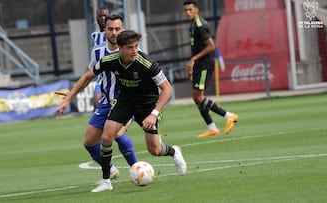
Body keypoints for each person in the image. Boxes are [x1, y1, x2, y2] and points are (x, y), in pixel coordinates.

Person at [55, 30, 187, 192]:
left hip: (147, 104)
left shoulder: (146, 62)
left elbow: (167, 89)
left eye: (136, 46)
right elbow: (88, 75)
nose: (135, 51)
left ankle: (174, 152)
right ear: (120, 48)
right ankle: (106, 181)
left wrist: (154, 114)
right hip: (125, 101)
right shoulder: (110, 60)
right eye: (130, 47)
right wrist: (68, 98)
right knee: (106, 136)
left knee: (154, 149)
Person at [60, 15, 138, 180]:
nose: (114, 33)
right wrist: (69, 97)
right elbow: (88, 76)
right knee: (89, 142)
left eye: (118, 29)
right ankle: (110, 169)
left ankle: (137, 169)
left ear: (123, 29)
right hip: (106, 102)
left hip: (126, 102)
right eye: (110, 29)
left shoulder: (131, 51)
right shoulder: (97, 52)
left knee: (116, 134)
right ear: (104, 30)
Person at [183, 0, 238, 137]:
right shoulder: (193, 25)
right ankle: (212, 127)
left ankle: (228, 115)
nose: (187, 12)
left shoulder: (200, 25)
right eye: (186, 10)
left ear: (197, 10)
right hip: (199, 65)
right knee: (197, 97)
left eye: (190, 9)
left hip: (204, 65)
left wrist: (194, 59)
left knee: (198, 97)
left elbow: (211, 46)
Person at [91, 7, 110, 110]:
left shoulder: (117, 33)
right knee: (96, 103)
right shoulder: (94, 36)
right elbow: (93, 60)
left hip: (116, 73)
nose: (103, 18)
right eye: (100, 16)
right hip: (101, 76)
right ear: (96, 18)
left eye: (105, 16)